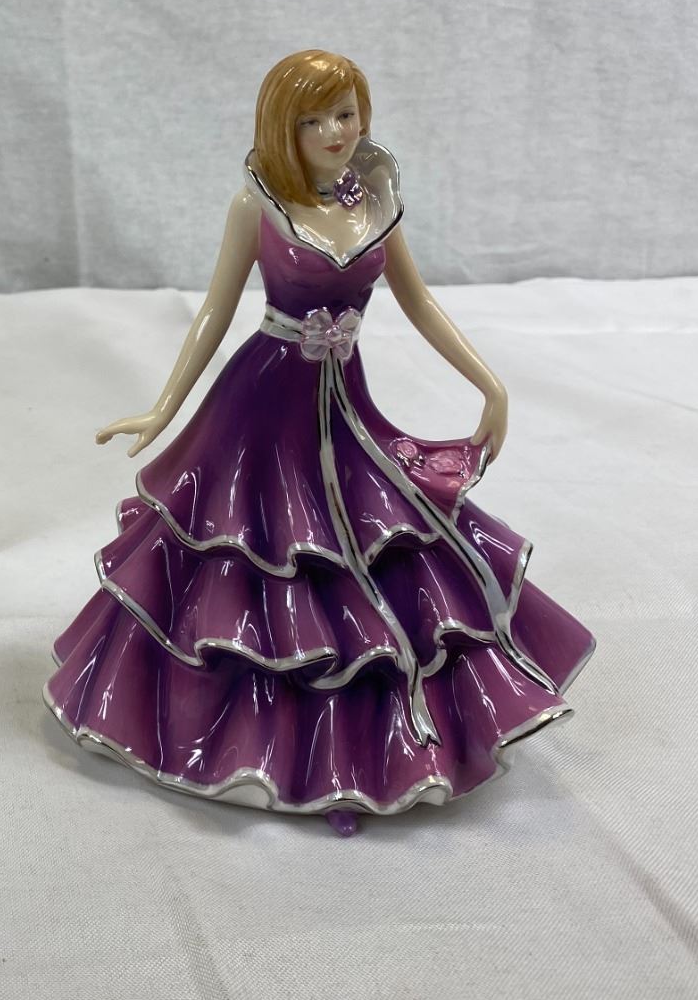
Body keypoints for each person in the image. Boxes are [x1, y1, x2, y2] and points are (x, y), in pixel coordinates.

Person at [44, 49, 594, 834]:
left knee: (379, 540)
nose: (336, 131)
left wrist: (490, 383)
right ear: (282, 128)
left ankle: (373, 750)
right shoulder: (257, 207)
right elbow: (214, 311)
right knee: (257, 553)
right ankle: (250, 742)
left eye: (346, 112)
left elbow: (418, 300)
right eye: (312, 119)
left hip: (344, 405)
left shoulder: (374, 202)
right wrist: (164, 407)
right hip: (260, 406)